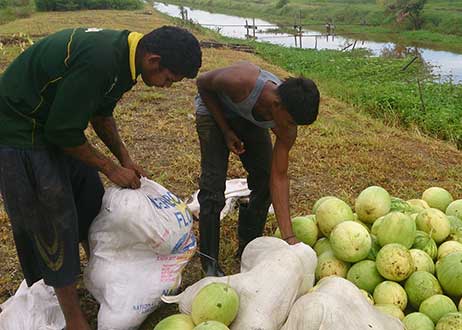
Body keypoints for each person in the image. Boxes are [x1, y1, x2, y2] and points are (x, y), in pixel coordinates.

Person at [0, 26, 202, 330]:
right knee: (53, 220)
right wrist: (110, 168)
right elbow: (61, 132)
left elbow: (101, 113)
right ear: (154, 60)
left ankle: (98, 272)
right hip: (20, 129)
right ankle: (74, 319)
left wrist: (125, 160)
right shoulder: (101, 60)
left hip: (56, 124)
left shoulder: (126, 60)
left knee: (89, 199)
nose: (167, 87)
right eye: (169, 80)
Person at [195, 61, 320, 276]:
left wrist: (289, 238)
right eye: (290, 122)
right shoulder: (241, 81)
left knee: (264, 179)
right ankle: (209, 262)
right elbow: (202, 84)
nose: (290, 129)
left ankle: (248, 246)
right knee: (213, 186)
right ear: (277, 104)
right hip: (213, 111)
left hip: (250, 119)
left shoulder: (287, 127)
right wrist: (225, 130)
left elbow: (278, 177)